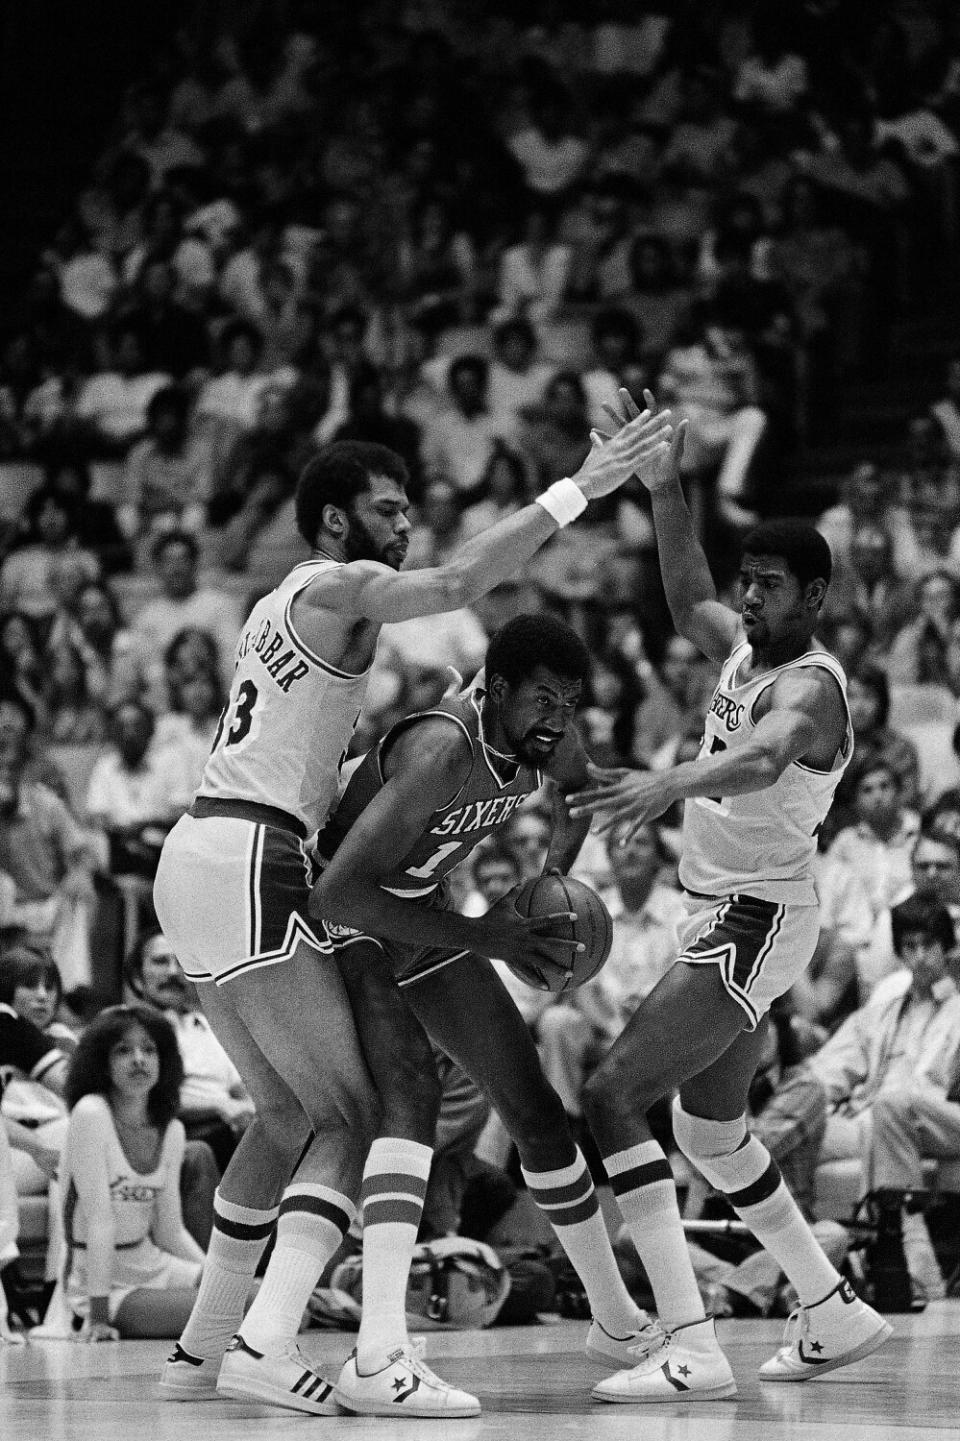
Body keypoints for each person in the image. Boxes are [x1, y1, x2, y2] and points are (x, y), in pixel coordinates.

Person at [152, 421, 672, 1415]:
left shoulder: (295, 617)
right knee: (363, 1112)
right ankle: (295, 1343)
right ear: (339, 517)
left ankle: (204, 1348)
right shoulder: (332, 588)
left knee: (289, 1115)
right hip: (283, 863)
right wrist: (580, 489)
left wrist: (565, 873)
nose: (405, 523)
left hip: (215, 860)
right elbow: (449, 587)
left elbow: (576, 781)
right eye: (389, 508)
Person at [567, 390, 890, 1400]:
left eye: (769, 588)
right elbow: (685, 594)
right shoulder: (749, 648)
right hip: (722, 908)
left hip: (756, 917)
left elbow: (761, 758)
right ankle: (831, 1308)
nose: (747, 601)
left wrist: (667, 781)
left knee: (613, 1095)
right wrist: (665, 489)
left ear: (818, 597)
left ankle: (691, 1341)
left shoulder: (813, 689)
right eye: (748, 584)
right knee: (710, 1132)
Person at [311, 614, 657, 1415]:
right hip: (345, 920)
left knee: (536, 1109)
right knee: (409, 1103)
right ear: (494, 690)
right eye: (544, 700)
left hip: (421, 912)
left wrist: (553, 876)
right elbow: (338, 887)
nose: (558, 719)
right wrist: (483, 933)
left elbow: (580, 785)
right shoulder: (441, 750)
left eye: (570, 702)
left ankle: (614, 1319)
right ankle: (379, 1346)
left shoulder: (547, 741)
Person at [810, 895, 960, 1301]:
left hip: (944, 1117)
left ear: (949, 948)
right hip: (875, 1122)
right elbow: (823, 1074)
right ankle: (800, 1258)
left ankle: (917, 1272)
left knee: (894, 1105)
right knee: (793, 1130)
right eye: (909, 947)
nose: (920, 957)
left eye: (929, 946)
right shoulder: (880, 1014)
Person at [59, 1004, 204, 1339]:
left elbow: (171, 1231)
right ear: (102, 1062)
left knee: (255, 1297)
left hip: (152, 1264)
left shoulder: (172, 1129)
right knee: (224, 1312)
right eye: (124, 1050)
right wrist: (98, 1317)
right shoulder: (91, 1113)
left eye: (149, 1049)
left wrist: (219, 1277)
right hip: (102, 1282)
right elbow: (100, 1220)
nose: (139, 1059)